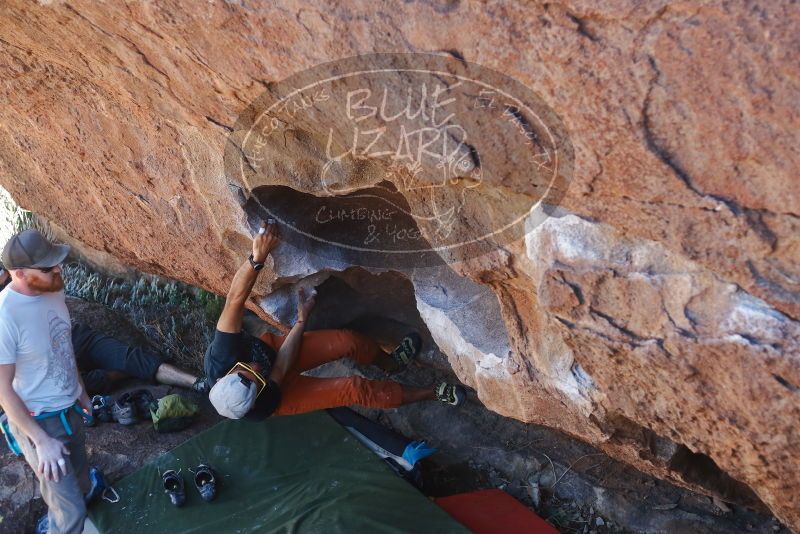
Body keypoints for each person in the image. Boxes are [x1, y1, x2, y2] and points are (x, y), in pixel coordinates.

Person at [206, 220, 467, 421]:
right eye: (257, 378)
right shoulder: (260, 404)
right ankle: (433, 392)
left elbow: (234, 300)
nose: (256, 368)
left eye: (247, 370)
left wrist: (258, 257)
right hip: (284, 389)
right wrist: (301, 321)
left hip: (272, 349)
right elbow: (280, 369)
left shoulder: (222, 355)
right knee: (355, 389)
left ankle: (391, 364)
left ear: (225, 375)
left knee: (348, 341)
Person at [0, 230, 93, 534]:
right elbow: (3, 390)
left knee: (80, 483)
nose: (57, 270)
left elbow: (61, 345)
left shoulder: (53, 291)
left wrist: (80, 389)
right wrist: (41, 442)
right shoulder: (5, 316)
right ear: (19, 273)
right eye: (47, 267)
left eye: (56, 262)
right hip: (40, 421)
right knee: (72, 513)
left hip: (69, 408)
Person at [2, 259, 206, 396]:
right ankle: (124, 373)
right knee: (73, 386)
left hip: (75, 338)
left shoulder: (36, 286)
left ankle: (198, 383)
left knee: (130, 357)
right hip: (43, 363)